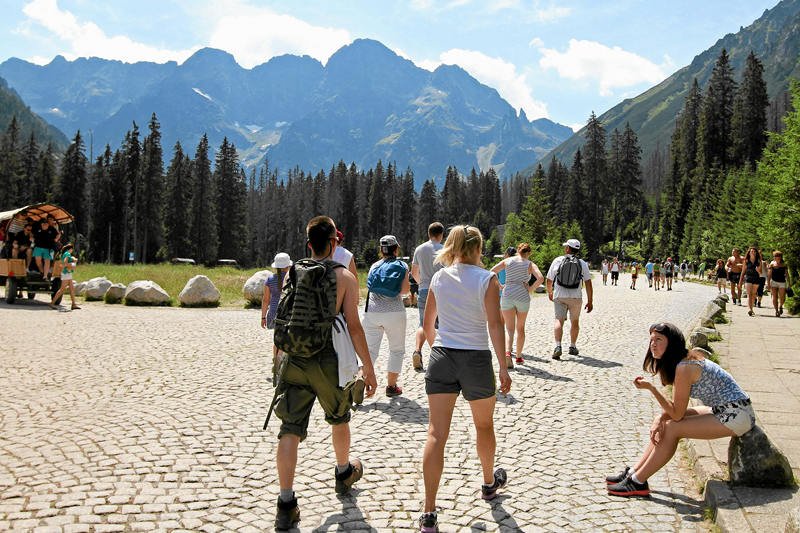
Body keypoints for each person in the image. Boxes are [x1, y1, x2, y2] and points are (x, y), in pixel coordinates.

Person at [272, 216, 377, 531]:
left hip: (294, 356)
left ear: (309, 245)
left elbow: (285, 312)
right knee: (339, 416)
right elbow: (354, 327)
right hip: (327, 358)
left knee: (289, 427)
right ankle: (344, 471)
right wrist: (368, 369)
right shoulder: (344, 277)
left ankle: (286, 503)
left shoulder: (293, 271)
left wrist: (279, 355)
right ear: (334, 242)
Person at [418, 225, 511, 533]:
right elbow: (495, 326)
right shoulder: (487, 280)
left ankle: (429, 511)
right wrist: (504, 365)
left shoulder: (439, 278)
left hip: (443, 355)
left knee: (436, 435)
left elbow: (428, 323)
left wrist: (438, 351)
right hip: (476, 358)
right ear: (478, 248)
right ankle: (488, 483)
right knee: (484, 425)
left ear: (453, 247)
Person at [606, 322, 754, 497]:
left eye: (659, 339)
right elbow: (678, 412)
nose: (653, 344)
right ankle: (634, 472)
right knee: (665, 421)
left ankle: (638, 482)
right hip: (727, 410)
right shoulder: (683, 362)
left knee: (672, 427)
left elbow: (677, 414)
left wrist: (652, 389)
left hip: (737, 415)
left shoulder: (684, 367)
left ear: (672, 343)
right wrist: (660, 417)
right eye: (651, 339)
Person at [363, 235, 410, 397]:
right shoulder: (402, 265)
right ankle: (391, 387)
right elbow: (404, 291)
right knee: (396, 350)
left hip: (373, 313)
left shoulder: (374, 265)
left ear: (381, 250)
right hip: (395, 312)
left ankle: (361, 379)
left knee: (369, 350)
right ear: (396, 249)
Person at [491, 243, 544, 367]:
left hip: (507, 294)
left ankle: (508, 353)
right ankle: (519, 357)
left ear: (518, 251)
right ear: (528, 253)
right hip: (522, 295)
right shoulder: (530, 264)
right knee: (520, 328)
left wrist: (500, 285)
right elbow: (540, 278)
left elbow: (492, 272)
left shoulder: (507, 261)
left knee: (509, 329)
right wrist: (530, 288)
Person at [546, 239, 593, 360]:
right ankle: (572, 347)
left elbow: (549, 279)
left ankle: (558, 346)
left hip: (560, 295)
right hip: (576, 297)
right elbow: (588, 282)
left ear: (567, 248)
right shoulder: (582, 263)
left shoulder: (558, 260)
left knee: (558, 320)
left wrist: (550, 292)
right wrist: (590, 301)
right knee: (575, 322)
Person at [411, 222, 445, 372]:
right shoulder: (444, 249)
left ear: (428, 233)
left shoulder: (419, 249)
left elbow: (413, 272)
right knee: (440, 325)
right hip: (441, 290)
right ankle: (439, 357)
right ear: (441, 234)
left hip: (424, 289)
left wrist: (421, 284)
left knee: (423, 323)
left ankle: (417, 351)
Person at [261, 252, 292, 382]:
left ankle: (276, 359)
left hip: (274, 312)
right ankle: (283, 362)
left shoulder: (270, 280)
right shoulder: (292, 279)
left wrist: (263, 317)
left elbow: (265, 300)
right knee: (288, 338)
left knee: (277, 338)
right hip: (288, 311)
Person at [49, 243, 80, 310]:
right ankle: (52, 303)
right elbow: (65, 262)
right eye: (72, 250)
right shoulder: (67, 254)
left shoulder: (65, 254)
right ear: (70, 249)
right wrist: (70, 265)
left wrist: (72, 261)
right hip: (66, 273)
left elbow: (67, 260)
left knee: (71, 288)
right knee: (62, 289)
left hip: (67, 273)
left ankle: (73, 304)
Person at [739, 246, 761, 317]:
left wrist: (758, 270)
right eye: (751, 251)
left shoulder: (758, 261)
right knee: (749, 294)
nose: (753, 253)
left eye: (754, 251)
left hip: (756, 278)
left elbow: (761, 272)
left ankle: (752, 309)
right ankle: (749, 309)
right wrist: (740, 282)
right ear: (749, 253)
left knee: (753, 294)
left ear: (756, 253)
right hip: (748, 278)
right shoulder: (746, 261)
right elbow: (743, 272)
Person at [768, 251, 790, 317]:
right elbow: (769, 275)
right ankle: (776, 311)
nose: (776, 257)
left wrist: (789, 282)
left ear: (780, 257)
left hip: (782, 282)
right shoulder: (772, 264)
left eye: (778, 256)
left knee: (782, 297)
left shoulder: (784, 264)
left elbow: (787, 274)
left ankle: (780, 306)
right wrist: (768, 283)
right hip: (774, 282)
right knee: (774, 297)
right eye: (775, 256)